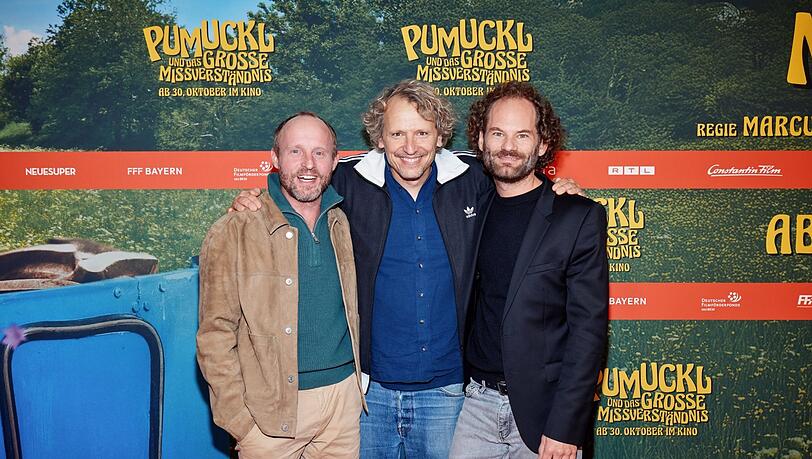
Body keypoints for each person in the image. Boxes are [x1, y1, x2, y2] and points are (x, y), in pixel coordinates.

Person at [230, 80, 584, 458]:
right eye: (397, 133)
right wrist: (256, 198)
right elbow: (300, 179)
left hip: (447, 394)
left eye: (422, 133)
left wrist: (558, 190)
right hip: (369, 394)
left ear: (439, 137)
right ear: (379, 137)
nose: (410, 147)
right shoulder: (349, 180)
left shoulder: (472, 178)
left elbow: (519, 180)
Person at [449, 81, 608, 459]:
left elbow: (589, 331)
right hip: (475, 405)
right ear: (481, 140)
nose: (508, 146)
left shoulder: (577, 216)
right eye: (498, 133)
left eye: (522, 135)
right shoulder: (469, 207)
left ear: (542, 144)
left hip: (545, 413)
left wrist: (566, 427)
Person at [197, 112, 365, 459]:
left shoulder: (341, 220)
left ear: (335, 161)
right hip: (270, 415)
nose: (308, 164)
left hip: (342, 406)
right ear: (274, 159)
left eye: (320, 153)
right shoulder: (236, 229)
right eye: (295, 152)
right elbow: (215, 335)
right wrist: (240, 423)